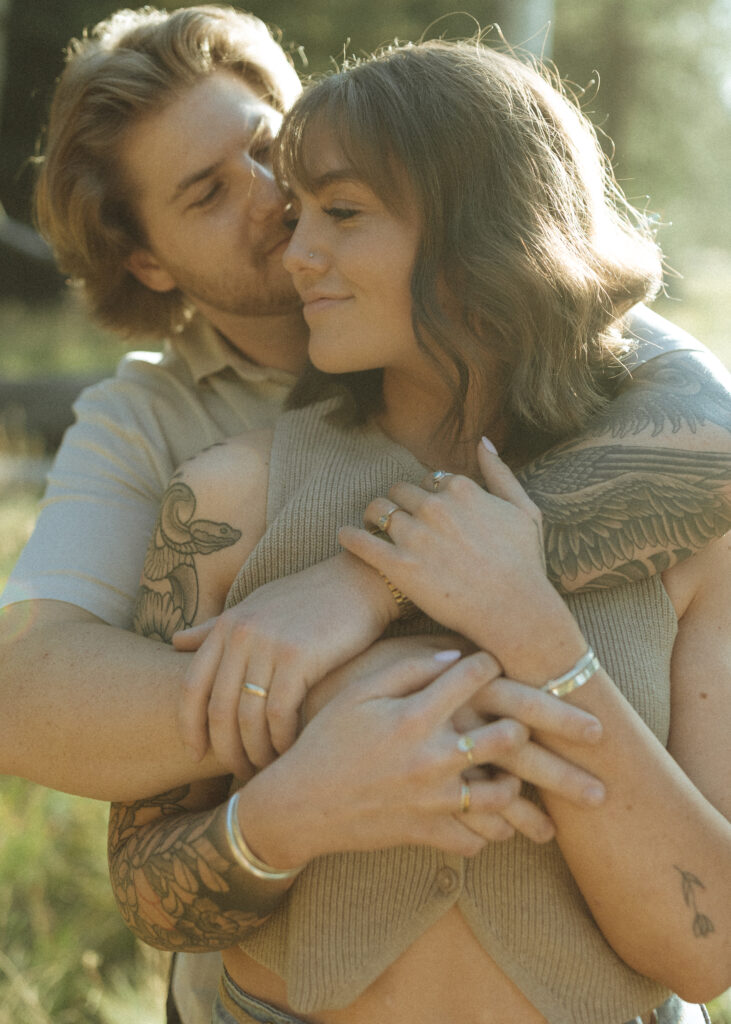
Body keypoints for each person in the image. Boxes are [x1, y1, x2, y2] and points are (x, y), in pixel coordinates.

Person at [106, 38, 730, 1024]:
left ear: (488, 227)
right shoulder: (223, 503)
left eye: (341, 214)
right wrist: (288, 811)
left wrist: (540, 641)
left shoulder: (688, 522)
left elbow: (707, 950)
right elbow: (145, 889)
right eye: (298, 213)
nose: (296, 251)